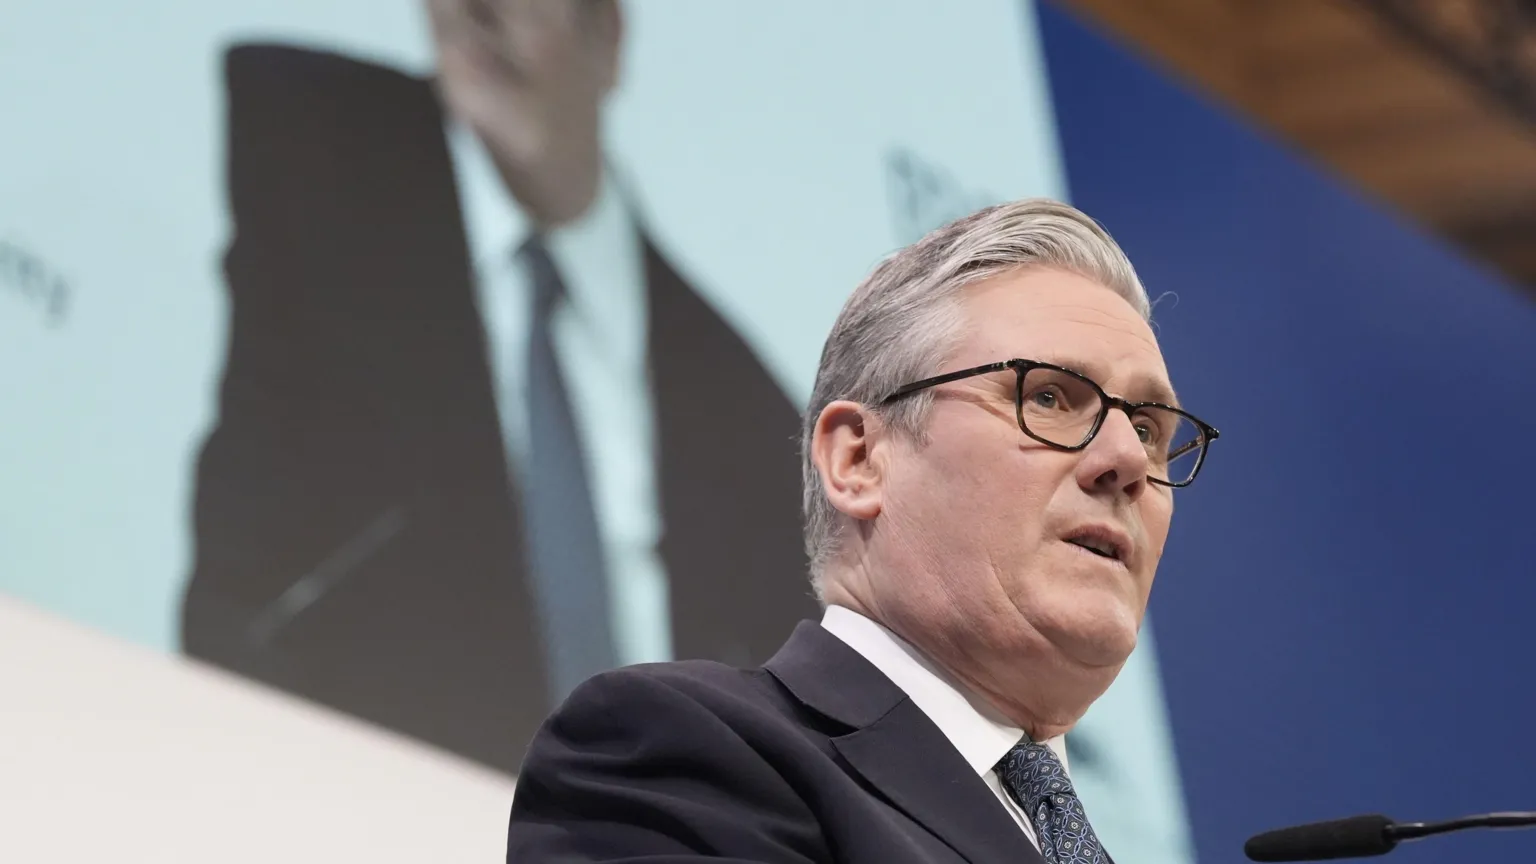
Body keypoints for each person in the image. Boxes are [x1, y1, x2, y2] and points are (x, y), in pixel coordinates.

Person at [179, 0, 815, 776]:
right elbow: (238, 599)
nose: (471, 13)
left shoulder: (747, 411)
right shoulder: (318, 162)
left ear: (608, 35)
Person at [506, 199, 1220, 863]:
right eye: (1049, 397)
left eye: (1152, 430)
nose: (1127, 459)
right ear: (859, 459)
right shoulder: (678, 755)